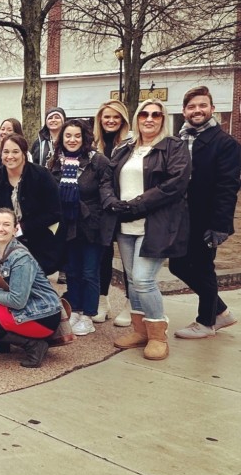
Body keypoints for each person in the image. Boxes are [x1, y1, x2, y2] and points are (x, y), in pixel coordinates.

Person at [102, 98, 190, 361]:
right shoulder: (125, 149)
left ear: (163, 119)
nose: (149, 119)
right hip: (126, 225)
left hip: (156, 225)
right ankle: (140, 331)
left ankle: (157, 334)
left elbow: (175, 185)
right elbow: (107, 178)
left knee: (143, 279)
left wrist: (137, 205)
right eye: (144, 115)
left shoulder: (173, 147)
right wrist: (112, 202)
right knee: (132, 280)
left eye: (156, 115)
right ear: (137, 119)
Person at [170, 87, 241, 339]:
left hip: (206, 219)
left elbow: (228, 187)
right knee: (177, 265)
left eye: (202, 105)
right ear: (184, 111)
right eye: (191, 107)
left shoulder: (225, 143)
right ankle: (220, 311)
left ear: (212, 109)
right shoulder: (178, 140)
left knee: (202, 267)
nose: (197, 110)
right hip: (181, 219)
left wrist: (220, 225)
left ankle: (206, 322)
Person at [0, 208, 63, 368]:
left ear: (15, 230)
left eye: (6, 225)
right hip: (24, 308)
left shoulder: (21, 258)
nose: (0, 228)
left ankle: (34, 344)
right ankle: (2, 342)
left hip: (42, 315)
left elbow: (17, 301)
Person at [49, 119, 115, 336]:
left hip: (91, 225)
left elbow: (105, 192)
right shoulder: (55, 162)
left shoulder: (98, 162)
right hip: (68, 226)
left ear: (84, 137)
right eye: (68, 136)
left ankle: (88, 314)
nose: (72, 140)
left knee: (89, 272)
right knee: (72, 271)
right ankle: (75, 309)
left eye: (77, 136)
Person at [0, 134, 63, 274]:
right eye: (6, 152)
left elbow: (54, 213)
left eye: (15, 151)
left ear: (24, 153)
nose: (10, 156)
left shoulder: (41, 175)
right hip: (8, 241)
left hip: (40, 241)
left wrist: (22, 228)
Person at [92, 99, 133, 326]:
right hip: (101, 210)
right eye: (107, 116)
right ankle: (102, 301)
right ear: (100, 119)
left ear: (123, 120)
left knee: (128, 261)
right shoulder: (93, 144)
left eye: (116, 117)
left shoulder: (132, 143)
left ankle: (130, 303)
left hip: (125, 208)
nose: (111, 121)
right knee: (103, 256)